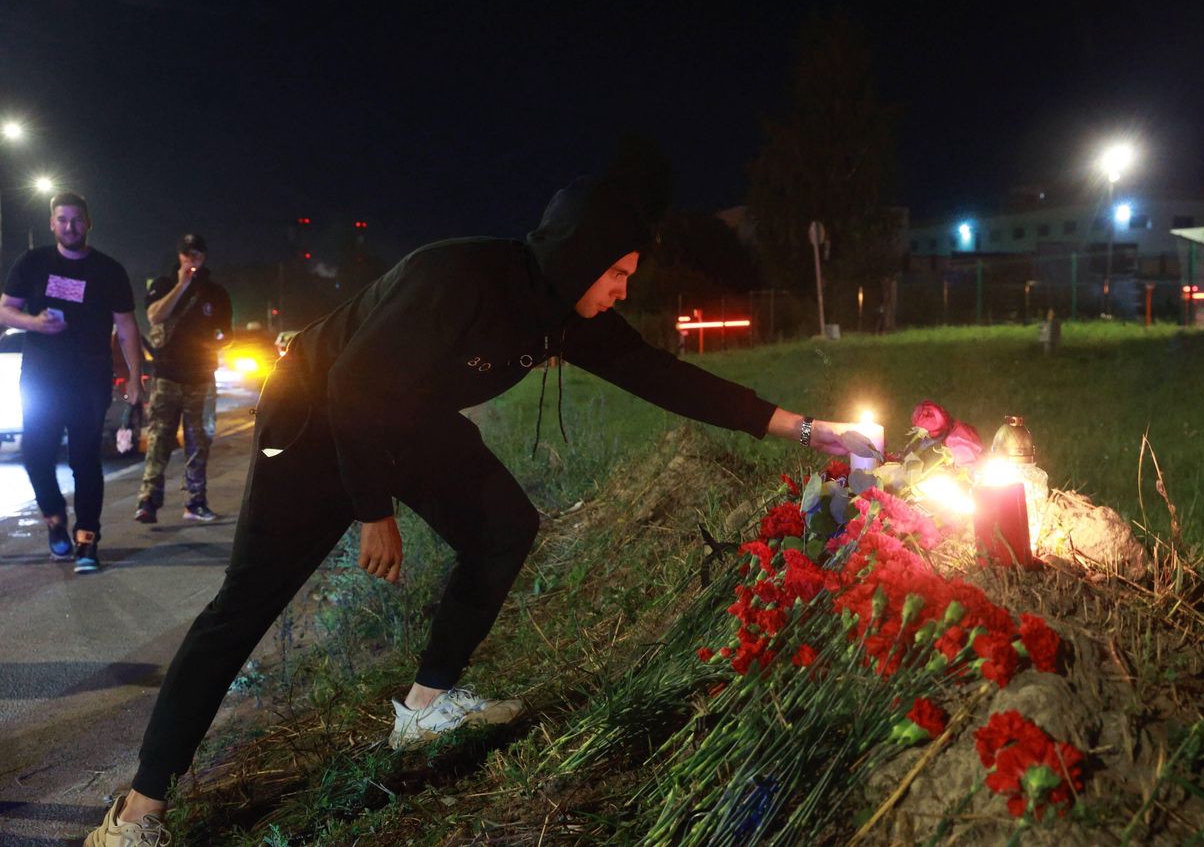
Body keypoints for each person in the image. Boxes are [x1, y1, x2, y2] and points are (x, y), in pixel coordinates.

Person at [85, 165, 853, 844]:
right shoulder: (457, 278)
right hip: (316, 419)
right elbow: (352, 383)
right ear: (579, 256)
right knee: (246, 605)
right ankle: (139, 812)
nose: (625, 288)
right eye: (617, 272)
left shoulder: (562, 311)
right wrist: (372, 510)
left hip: (403, 421)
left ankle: (424, 706)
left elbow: (664, 377)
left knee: (504, 526)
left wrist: (806, 428)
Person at [0, 192, 143, 574]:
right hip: (41, 378)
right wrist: (34, 323)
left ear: (88, 223)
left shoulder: (108, 270)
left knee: (84, 460)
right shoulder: (33, 262)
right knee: (36, 455)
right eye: (62, 219)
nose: (69, 226)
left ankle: (87, 541)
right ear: (52, 223)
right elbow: (5, 309)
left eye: (76, 219)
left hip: (89, 379)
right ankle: (54, 519)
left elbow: (127, 327)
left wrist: (134, 378)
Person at [134, 233, 232, 523]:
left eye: (197, 254)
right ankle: (148, 502)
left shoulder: (216, 292)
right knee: (159, 439)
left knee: (199, 441)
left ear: (204, 256)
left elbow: (227, 333)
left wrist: (215, 341)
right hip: (166, 376)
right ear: (179, 256)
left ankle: (195, 502)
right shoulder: (163, 285)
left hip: (201, 376)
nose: (192, 259)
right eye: (187, 254)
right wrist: (182, 284)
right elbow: (153, 316)